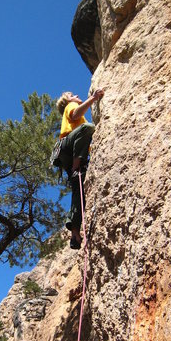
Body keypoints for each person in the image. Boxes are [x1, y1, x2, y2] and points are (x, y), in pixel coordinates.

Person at [56, 89, 104, 249]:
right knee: (88, 128)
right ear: (67, 100)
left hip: (69, 156)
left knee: (79, 190)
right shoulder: (70, 106)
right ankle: (77, 166)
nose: (76, 96)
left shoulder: (75, 114)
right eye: (72, 95)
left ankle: (75, 232)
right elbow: (75, 114)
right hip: (69, 149)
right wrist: (94, 98)